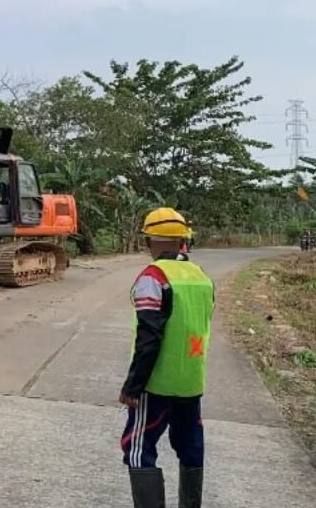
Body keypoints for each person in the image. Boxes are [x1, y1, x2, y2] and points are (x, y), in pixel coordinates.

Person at [119, 207, 214, 508]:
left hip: (157, 382)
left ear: (151, 242)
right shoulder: (201, 277)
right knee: (191, 447)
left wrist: (133, 386)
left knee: (138, 448)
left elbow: (149, 337)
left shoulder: (154, 277)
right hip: (191, 382)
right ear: (183, 240)